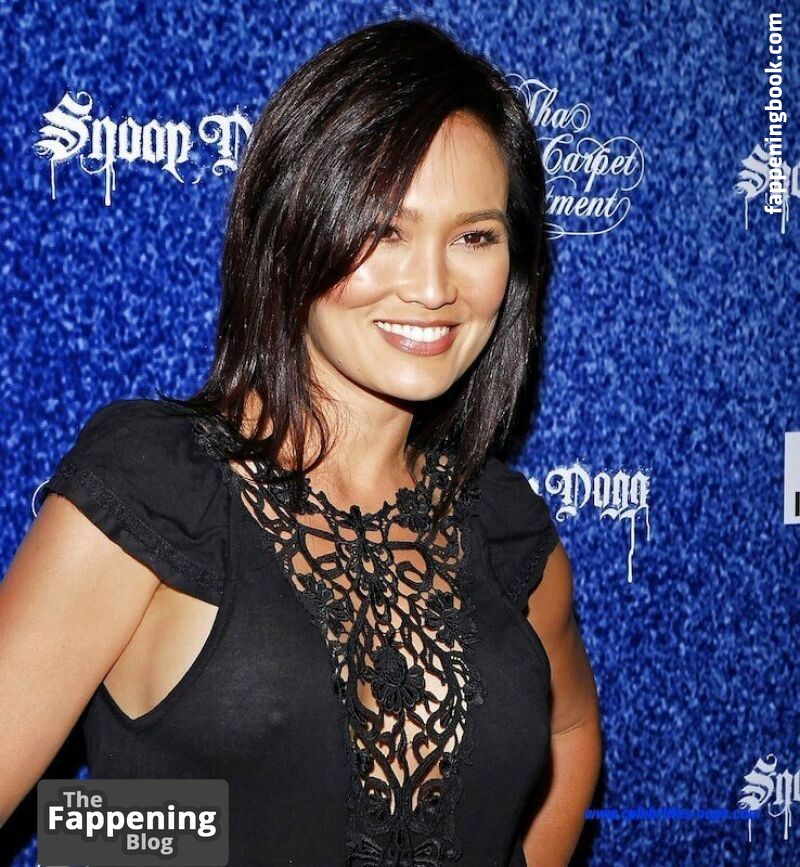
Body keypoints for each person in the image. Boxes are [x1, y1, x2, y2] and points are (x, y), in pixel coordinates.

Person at [0, 17, 601, 867]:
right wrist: (146, 835)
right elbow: (100, 821)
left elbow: (570, 731)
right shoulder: (155, 488)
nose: (433, 286)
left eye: (475, 237)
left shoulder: (506, 528)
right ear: (295, 227)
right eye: (385, 229)